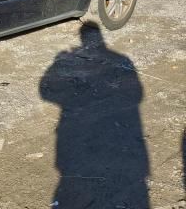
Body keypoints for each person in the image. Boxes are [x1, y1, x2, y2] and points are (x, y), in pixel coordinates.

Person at [40, 25, 150, 208]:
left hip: (78, 149)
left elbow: (44, 92)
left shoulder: (117, 60)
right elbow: (138, 95)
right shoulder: (121, 60)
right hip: (121, 152)